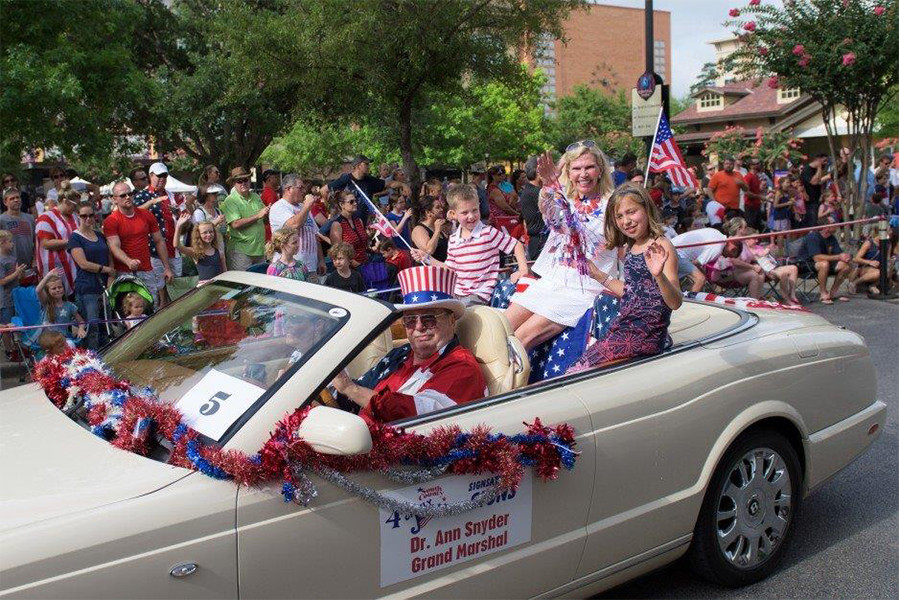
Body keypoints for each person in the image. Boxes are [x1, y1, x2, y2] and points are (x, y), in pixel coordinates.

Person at [330, 265, 486, 422]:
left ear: (451, 320)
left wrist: (350, 389)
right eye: (410, 319)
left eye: (429, 318)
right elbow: (359, 388)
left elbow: (421, 415)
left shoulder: (462, 367)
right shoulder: (401, 354)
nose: (418, 327)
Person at [505, 141, 620, 350]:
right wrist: (549, 186)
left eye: (589, 167)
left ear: (600, 169)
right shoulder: (564, 196)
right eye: (576, 168)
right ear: (568, 172)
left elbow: (625, 244)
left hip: (584, 290)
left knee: (520, 339)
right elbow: (551, 219)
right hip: (551, 282)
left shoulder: (614, 203)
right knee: (500, 329)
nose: (583, 174)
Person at [567, 184, 682, 373]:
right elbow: (632, 293)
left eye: (631, 212)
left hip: (644, 336)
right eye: (619, 216)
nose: (626, 221)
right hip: (625, 328)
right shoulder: (630, 247)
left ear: (646, 209)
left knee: (578, 372)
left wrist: (659, 275)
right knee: (578, 365)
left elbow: (675, 302)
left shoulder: (661, 246)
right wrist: (597, 274)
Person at [412, 183, 528, 306]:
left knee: (461, 313)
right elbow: (449, 268)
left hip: (479, 296)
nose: (471, 216)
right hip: (456, 294)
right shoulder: (453, 239)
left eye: (474, 210)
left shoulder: (488, 233)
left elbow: (516, 245)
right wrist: (426, 257)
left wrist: (523, 270)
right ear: (453, 214)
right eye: (465, 213)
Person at [103, 181, 171, 307]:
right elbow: (113, 246)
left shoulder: (146, 215)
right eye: (123, 195)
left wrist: (167, 267)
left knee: (151, 306)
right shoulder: (111, 220)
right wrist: (128, 261)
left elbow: (159, 241)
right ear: (114, 199)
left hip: (147, 269)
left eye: (130, 194)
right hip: (124, 272)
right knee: (129, 310)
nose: (128, 197)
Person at [67, 202, 113, 350]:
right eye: (84, 216)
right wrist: (105, 269)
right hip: (87, 287)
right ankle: (91, 357)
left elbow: (109, 256)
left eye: (91, 215)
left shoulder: (100, 235)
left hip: (104, 286)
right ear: (78, 216)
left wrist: (111, 276)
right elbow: (83, 264)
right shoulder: (75, 238)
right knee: (92, 328)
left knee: (106, 326)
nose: (88, 218)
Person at [133, 162, 180, 305]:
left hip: (173, 247)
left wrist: (178, 213)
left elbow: (183, 217)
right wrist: (152, 202)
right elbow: (135, 213)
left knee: (176, 286)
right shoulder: (143, 194)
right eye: (159, 176)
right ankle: (161, 309)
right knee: (158, 286)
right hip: (153, 249)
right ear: (151, 176)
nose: (162, 179)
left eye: (165, 176)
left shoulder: (171, 195)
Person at [319, 155, 410, 223]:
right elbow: (323, 190)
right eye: (366, 164)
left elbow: (389, 183)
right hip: (346, 223)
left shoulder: (370, 180)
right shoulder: (345, 179)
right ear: (358, 166)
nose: (368, 166)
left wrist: (403, 185)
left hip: (363, 222)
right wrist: (331, 209)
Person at [269, 174, 325, 279]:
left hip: (311, 267)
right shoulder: (279, 207)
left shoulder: (303, 207)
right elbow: (294, 226)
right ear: (288, 189)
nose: (304, 191)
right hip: (288, 269)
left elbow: (314, 235)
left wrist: (321, 260)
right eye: (300, 188)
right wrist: (307, 206)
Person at [35, 180, 79, 295]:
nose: (75, 208)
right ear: (65, 201)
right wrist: (72, 241)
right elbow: (45, 244)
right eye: (74, 205)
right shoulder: (46, 217)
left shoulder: (74, 217)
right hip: (54, 267)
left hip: (72, 266)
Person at [221, 167, 268, 271]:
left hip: (259, 249)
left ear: (249, 180)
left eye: (245, 180)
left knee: (260, 280)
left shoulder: (256, 196)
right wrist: (258, 216)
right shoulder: (230, 200)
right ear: (234, 183)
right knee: (242, 281)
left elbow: (264, 218)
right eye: (239, 181)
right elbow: (235, 224)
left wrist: (267, 212)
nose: (243, 183)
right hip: (241, 252)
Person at [796, 217, 852, 304]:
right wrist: (838, 257)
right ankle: (823, 293)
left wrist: (846, 257)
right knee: (824, 264)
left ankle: (832, 293)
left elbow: (839, 253)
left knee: (845, 266)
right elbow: (816, 258)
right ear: (826, 227)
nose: (837, 225)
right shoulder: (813, 237)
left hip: (825, 264)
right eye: (834, 223)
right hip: (806, 264)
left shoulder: (832, 238)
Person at [742, 228, 800, 304]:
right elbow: (752, 259)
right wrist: (762, 254)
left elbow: (769, 259)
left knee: (793, 268)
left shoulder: (758, 247)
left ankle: (792, 294)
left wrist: (768, 252)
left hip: (772, 267)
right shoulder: (745, 249)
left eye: (757, 238)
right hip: (764, 271)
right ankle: (786, 299)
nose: (756, 241)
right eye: (754, 239)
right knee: (783, 274)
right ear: (746, 239)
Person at [671, 227, 737, 292]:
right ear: (733, 249)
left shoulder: (717, 234)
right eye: (730, 256)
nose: (727, 257)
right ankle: (689, 298)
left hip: (674, 248)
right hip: (677, 253)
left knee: (699, 278)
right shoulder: (718, 248)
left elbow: (696, 265)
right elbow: (695, 263)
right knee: (700, 279)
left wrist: (710, 282)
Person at [36, 269, 86, 342]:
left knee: (70, 344)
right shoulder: (46, 303)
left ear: (64, 288)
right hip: (48, 339)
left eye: (60, 287)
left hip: (63, 339)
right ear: (48, 291)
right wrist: (48, 276)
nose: (57, 290)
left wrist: (81, 329)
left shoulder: (70, 306)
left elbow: (81, 321)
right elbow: (38, 290)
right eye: (54, 288)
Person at [174, 214, 226, 281]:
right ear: (198, 235)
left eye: (211, 232)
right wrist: (178, 226)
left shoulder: (219, 252)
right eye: (205, 233)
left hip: (217, 285)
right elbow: (177, 245)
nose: (208, 235)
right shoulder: (195, 252)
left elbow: (225, 273)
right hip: (203, 286)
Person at [329, 190, 369, 267]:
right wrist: (355, 264)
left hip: (365, 264)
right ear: (342, 205)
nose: (355, 203)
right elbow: (337, 251)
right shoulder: (337, 224)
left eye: (355, 201)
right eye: (351, 202)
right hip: (350, 268)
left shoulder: (358, 220)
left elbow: (364, 244)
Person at [519, 155, 547, 260]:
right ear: (538, 172)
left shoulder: (528, 191)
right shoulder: (536, 192)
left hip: (537, 241)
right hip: (541, 242)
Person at [1, 187, 35, 269]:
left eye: (18, 197)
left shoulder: (30, 218)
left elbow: (36, 241)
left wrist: (35, 258)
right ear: (5, 202)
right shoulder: (1, 220)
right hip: (9, 268)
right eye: (12, 198)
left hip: (29, 265)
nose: (16, 200)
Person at [411, 195, 449, 263]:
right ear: (428, 212)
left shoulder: (437, 227)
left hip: (442, 267)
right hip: (428, 269)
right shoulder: (419, 229)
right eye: (437, 207)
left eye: (441, 207)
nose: (441, 209)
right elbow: (429, 251)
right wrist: (437, 231)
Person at [0, 230, 25, 333]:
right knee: (6, 326)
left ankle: (17, 341)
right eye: (10, 241)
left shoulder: (13, 258)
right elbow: (1, 281)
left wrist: (21, 273)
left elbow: (19, 278)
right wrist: (16, 273)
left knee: (17, 324)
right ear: (2, 243)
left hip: (16, 296)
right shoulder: (1, 260)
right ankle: (8, 344)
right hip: (5, 300)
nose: (13, 244)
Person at [800, 154, 831, 228]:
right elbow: (813, 182)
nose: (825, 163)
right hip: (810, 201)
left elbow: (819, 182)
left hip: (817, 200)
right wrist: (819, 168)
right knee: (812, 224)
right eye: (824, 161)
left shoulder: (818, 170)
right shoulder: (807, 169)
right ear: (817, 159)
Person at [743, 159, 766, 230]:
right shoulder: (748, 177)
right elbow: (746, 192)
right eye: (757, 163)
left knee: (757, 227)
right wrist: (759, 197)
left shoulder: (756, 176)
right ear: (751, 166)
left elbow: (756, 190)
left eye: (759, 163)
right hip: (750, 206)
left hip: (757, 205)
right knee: (751, 228)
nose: (759, 165)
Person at [259, 168, 280, 242]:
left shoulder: (269, 192)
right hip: (270, 232)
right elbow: (273, 213)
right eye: (275, 177)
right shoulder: (270, 193)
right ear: (269, 180)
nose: (278, 179)